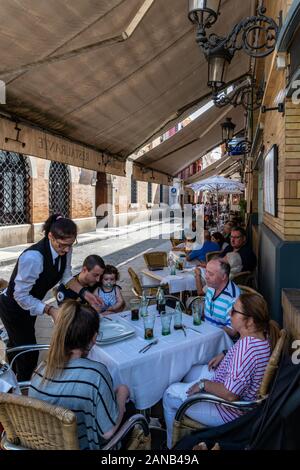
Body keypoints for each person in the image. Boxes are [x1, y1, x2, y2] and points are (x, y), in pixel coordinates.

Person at [163, 293, 280, 448]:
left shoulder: (247, 350)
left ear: (250, 321)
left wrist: (204, 385)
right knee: (187, 371)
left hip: (228, 411)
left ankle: (172, 446)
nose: (229, 313)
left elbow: (230, 394)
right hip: (226, 385)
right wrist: (226, 354)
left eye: (234, 311)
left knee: (169, 393)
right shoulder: (261, 335)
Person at [0, 214, 102, 381]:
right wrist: (50, 310)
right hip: (13, 308)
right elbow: (20, 295)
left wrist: (86, 294)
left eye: (71, 244)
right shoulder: (33, 258)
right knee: (29, 353)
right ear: (50, 236)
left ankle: (12, 379)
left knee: (17, 344)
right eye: (63, 245)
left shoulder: (66, 248)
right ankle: (23, 393)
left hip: (30, 305)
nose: (67, 250)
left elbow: (66, 276)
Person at [29, 300, 132, 450]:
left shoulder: (40, 370)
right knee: (131, 408)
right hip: (88, 446)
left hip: (47, 445)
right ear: (94, 337)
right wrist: (122, 393)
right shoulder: (96, 374)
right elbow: (108, 433)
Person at [203, 258, 240, 337]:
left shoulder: (233, 297)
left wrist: (210, 333)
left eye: (211, 274)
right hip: (205, 333)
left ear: (223, 276)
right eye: (206, 272)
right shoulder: (212, 286)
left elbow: (232, 331)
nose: (206, 277)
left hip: (222, 341)